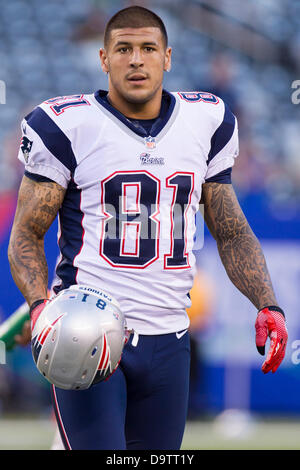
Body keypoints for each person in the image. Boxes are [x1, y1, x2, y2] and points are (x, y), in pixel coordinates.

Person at [7, 6, 287, 450]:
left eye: (147, 48)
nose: (136, 60)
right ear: (104, 59)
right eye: (123, 49)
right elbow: (25, 233)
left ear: (168, 57)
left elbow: (232, 231)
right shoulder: (66, 125)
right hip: (89, 330)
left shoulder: (206, 121)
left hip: (171, 340)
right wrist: (41, 306)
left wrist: (268, 304)